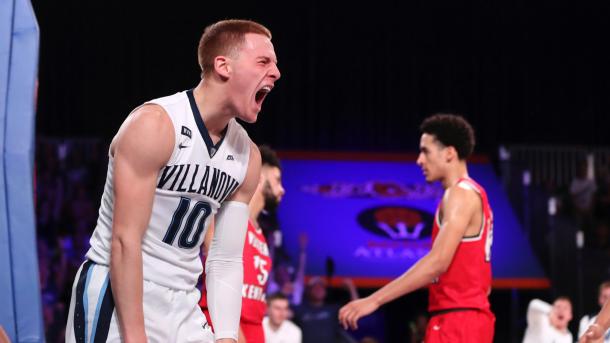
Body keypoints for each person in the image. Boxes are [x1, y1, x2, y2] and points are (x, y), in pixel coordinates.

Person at [65, 19, 280, 343]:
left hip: (182, 300)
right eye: (264, 61)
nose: (276, 72)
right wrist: (135, 336)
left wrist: (225, 336)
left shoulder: (248, 157)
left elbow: (224, 258)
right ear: (223, 65)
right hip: (117, 288)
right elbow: (124, 241)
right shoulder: (155, 124)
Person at [339, 114, 495, 342]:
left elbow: (438, 262)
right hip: (468, 320)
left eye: (426, 151)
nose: (419, 160)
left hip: (458, 322)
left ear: (449, 153)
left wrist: (373, 300)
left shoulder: (459, 193)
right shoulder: (476, 193)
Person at [200, 145, 285, 343]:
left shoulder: (261, 234)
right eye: (278, 180)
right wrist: (234, 333)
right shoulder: (224, 216)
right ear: (260, 177)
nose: (282, 189)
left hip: (254, 326)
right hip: (226, 326)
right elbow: (217, 276)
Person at [295, 276, 359, 343]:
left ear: (325, 291)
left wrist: (351, 288)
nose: (319, 289)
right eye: (315, 287)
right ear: (309, 290)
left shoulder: (333, 309)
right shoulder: (299, 310)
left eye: (321, 287)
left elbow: (355, 309)